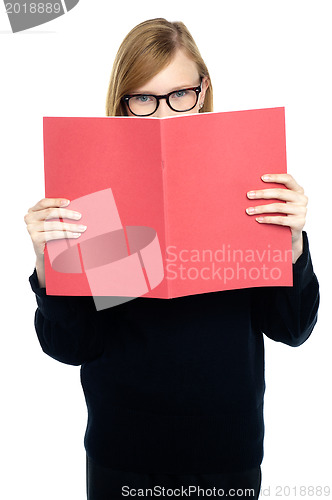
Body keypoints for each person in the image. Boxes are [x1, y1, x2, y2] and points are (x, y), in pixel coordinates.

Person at [24, 18, 320, 500]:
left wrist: (291, 247)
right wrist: (48, 263)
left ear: (203, 90)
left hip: (227, 452)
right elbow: (74, 347)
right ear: (122, 102)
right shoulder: (101, 194)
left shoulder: (249, 185)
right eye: (143, 99)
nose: (163, 116)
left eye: (179, 94)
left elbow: (292, 329)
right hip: (124, 454)